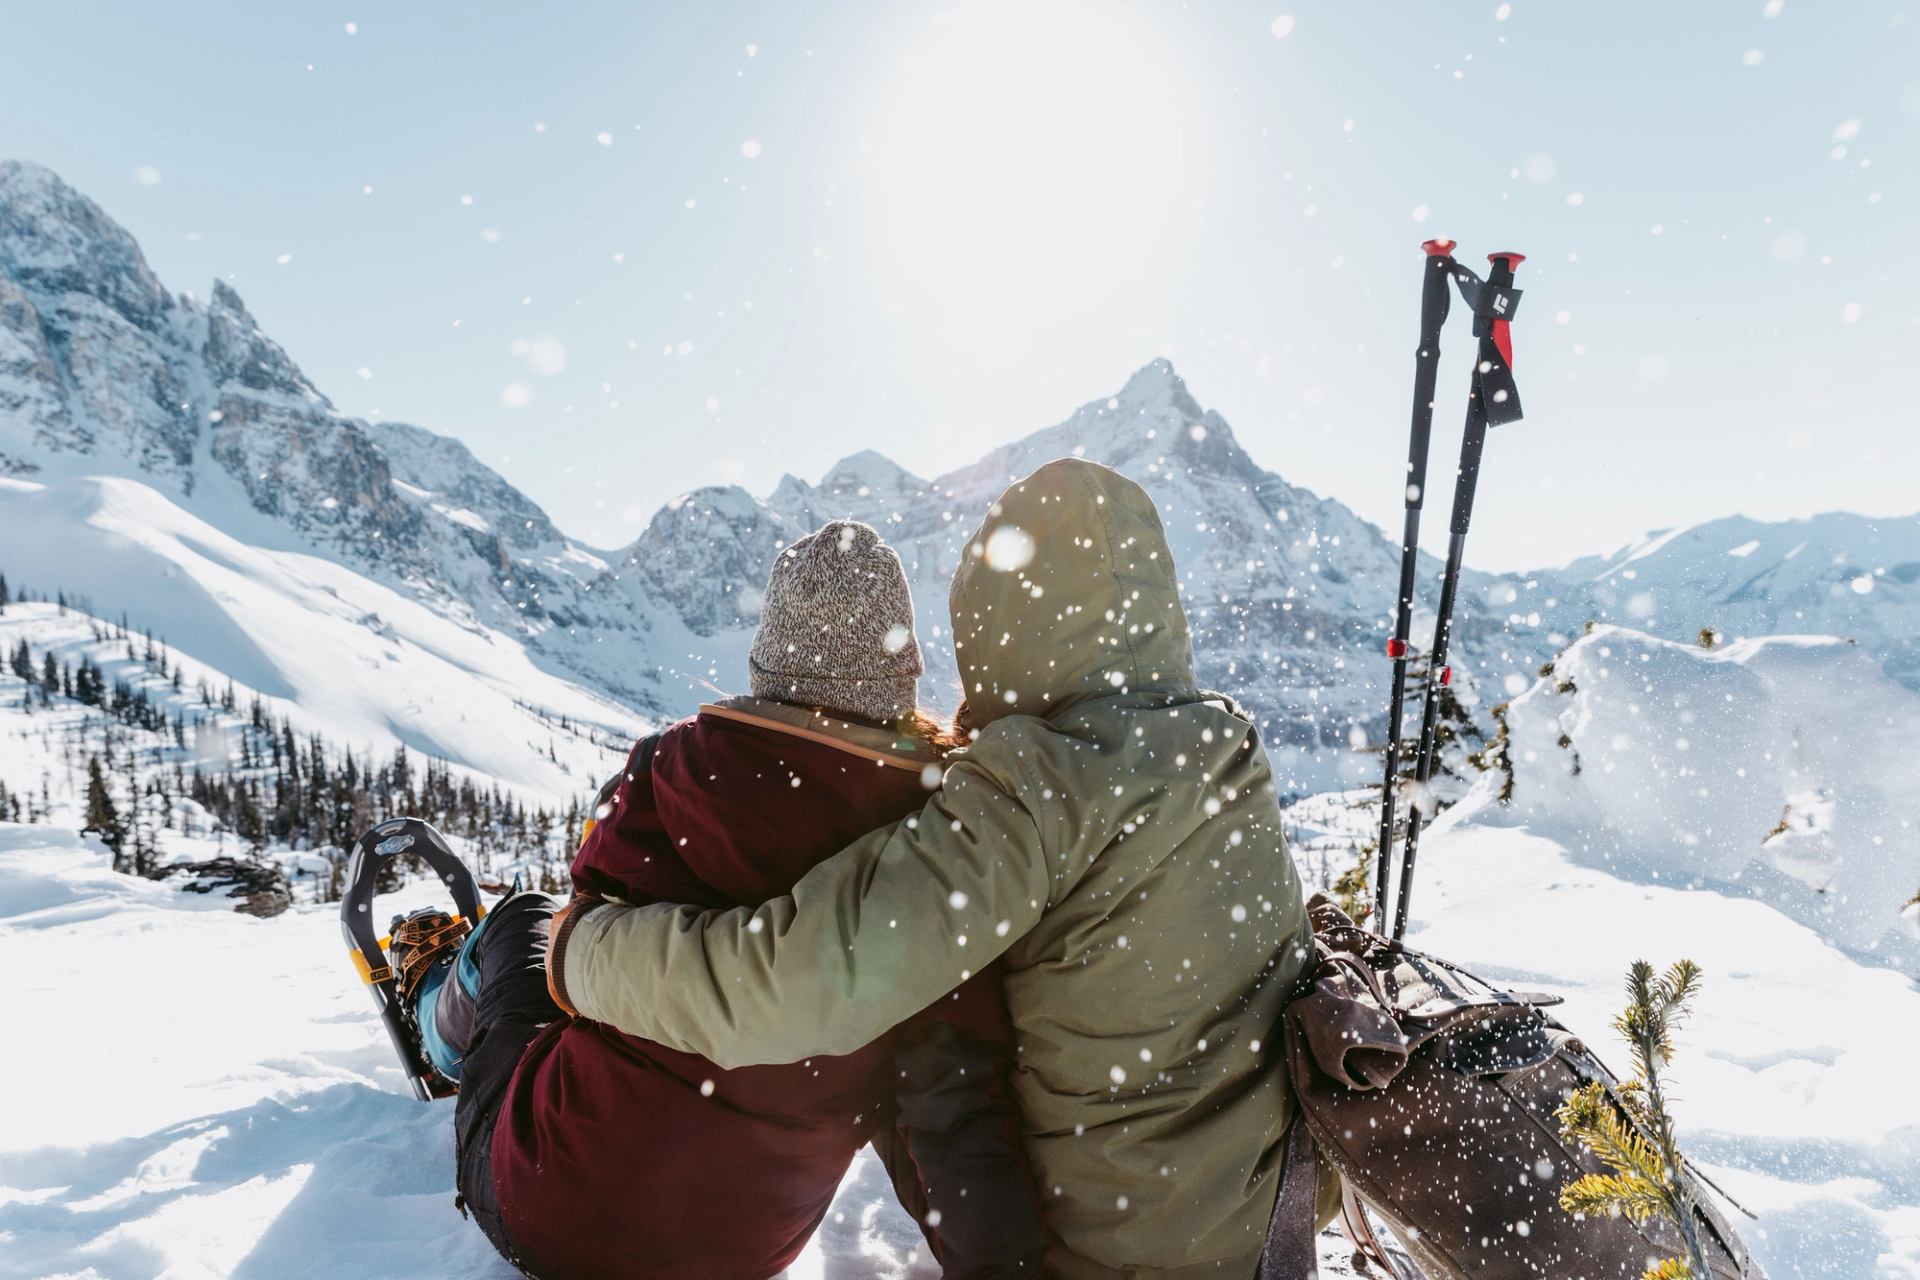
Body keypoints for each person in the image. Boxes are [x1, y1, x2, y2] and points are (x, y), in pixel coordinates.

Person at [548, 458, 1318, 1278]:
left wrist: (579, 952)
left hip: (1119, 1259)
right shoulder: (1221, 743)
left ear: (998, 623)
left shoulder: (1044, 782)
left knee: (928, 1029)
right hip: (1269, 1238)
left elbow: (798, 987)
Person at [391, 520, 1046, 1279]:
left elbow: (577, 956)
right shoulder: (930, 848)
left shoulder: (669, 773)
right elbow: (945, 1098)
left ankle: (441, 1029)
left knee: (525, 925)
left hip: (543, 1198)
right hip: (733, 1250)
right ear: (901, 673)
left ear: (769, 656)